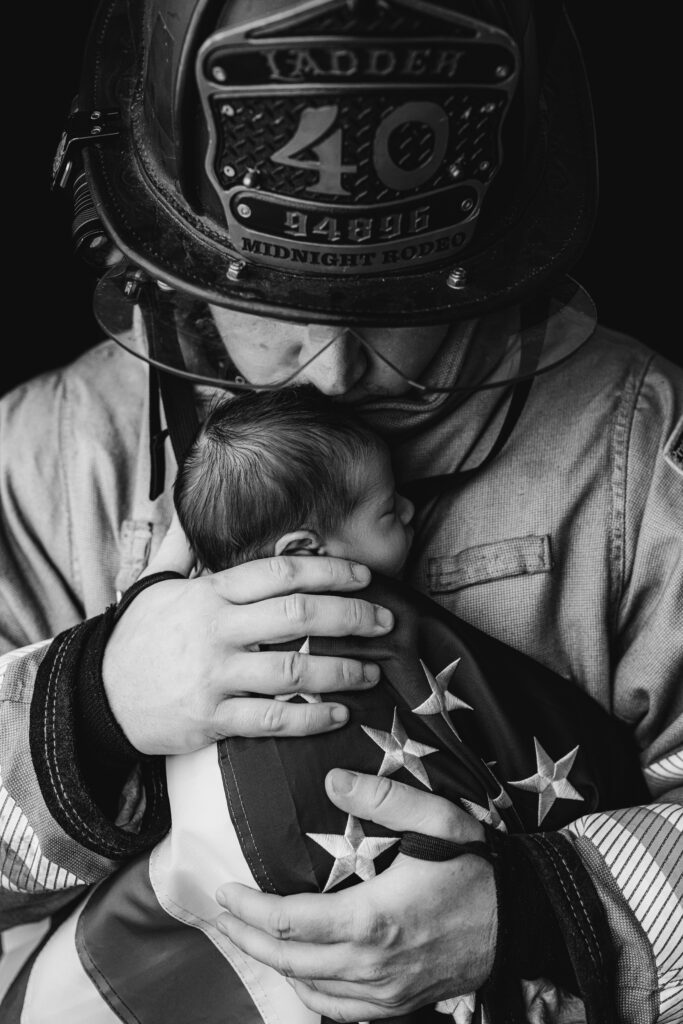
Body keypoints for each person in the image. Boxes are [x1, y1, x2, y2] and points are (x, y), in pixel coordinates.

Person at [0, 1, 680, 1023]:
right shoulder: (45, 460)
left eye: (397, 308)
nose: (336, 365)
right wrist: (85, 711)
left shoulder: (639, 447)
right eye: (272, 303)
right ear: (154, 252)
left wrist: (542, 913)